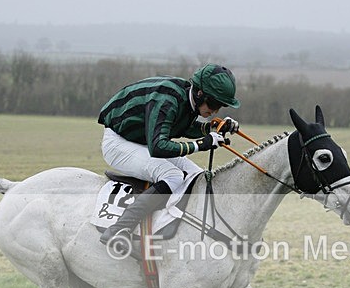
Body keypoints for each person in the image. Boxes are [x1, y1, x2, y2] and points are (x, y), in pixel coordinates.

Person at [97, 63, 242, 255]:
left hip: (141, 141)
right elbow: (158, 146)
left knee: (197, 176)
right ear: (199, 93)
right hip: (119, 143)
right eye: (214, 104)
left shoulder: (186, 98)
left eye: (220, 106)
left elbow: (181, 127)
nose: (215, 111)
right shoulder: (167, 100)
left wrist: (213, 127)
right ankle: (118, 230)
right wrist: (201, 144)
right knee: (173, 176)